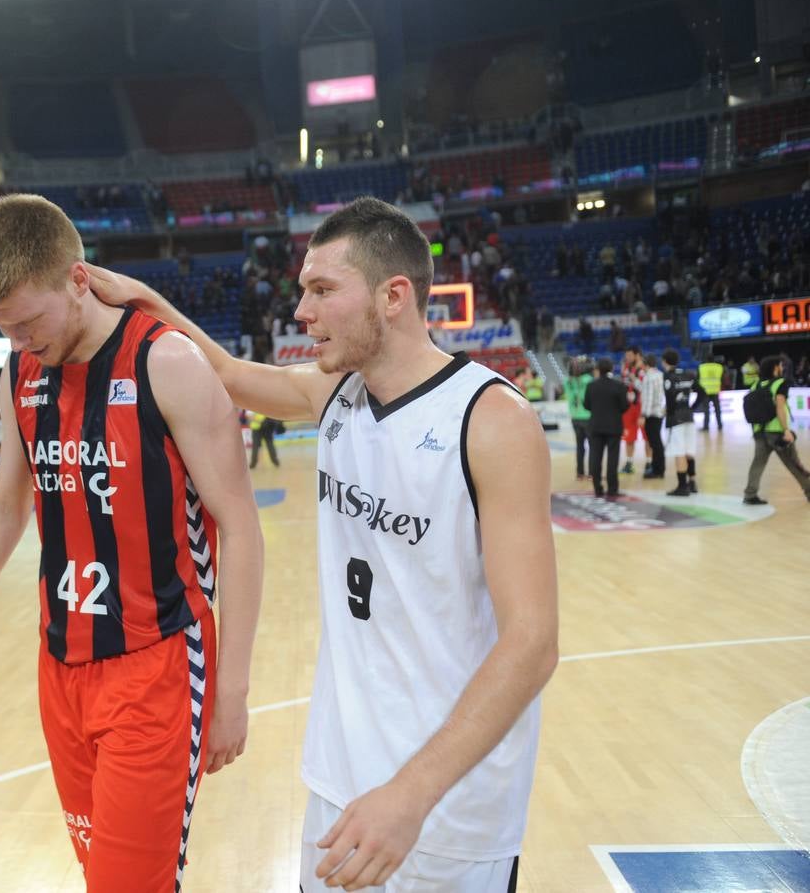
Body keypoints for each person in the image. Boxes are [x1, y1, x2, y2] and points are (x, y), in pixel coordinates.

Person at [87, 195, 556, 891]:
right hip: (339, 782)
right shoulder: (335, 392)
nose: (300, 311)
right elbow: (224, 374)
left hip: (447, 810)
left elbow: (534, 643)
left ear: (394, 296)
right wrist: (147, 300)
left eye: (322, 289)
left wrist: (412, 794)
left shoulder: (491, 420)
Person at [0, 194, 263, 891]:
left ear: (77, 280)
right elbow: (7, 506)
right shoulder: (19, 372)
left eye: (26, 323)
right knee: (102, 874)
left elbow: (242, 529)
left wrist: (231, 692)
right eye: (2, 328)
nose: (18, 343)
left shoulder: (168, 363)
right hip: (61, 668)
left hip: (156, 665)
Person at [742, 356, 810, 505]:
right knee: (794, 464)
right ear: (775, 368)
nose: (782, 367)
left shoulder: (755, 385)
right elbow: (780, 407)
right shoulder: (781, 383)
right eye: (780, 365)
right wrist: (786, 430)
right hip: (777, 432)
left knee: (758, 463)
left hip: (759, 432)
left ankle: (750, 494)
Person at [583, 358, 630, 499]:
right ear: (611, 369)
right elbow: (625, 406)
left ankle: (597, 488)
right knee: (612, 459)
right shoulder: (619, 385)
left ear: (598, 369)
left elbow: (586, 405)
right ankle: (612, 489)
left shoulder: (591, 386)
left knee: (595, 458)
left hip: (595, 426)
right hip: (614, 427)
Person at [661, 349, 700, 497]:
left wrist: (669, 413)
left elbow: (670, 398)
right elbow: (701, 392)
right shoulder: (688, 374)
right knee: (689, 451)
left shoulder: (668, 376)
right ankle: (693, 483)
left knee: (679, 452)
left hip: (676, 419)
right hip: (688, 417)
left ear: (665, 361)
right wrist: (691, 408)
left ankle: (682, 487)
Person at [563, 357, 592, 480]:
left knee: (580, 446)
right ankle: (592, 473)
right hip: (587, 416)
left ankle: (580, 473)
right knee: (592, 446)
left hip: (574, 417)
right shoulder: (588, 380)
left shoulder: (567, 381)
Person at [639, 354, 667, 480]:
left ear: (646, 363)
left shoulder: (648, 377)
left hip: (651, 415)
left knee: (655, 443)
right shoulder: (659, 374)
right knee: (656, 442)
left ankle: (657, 470)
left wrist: (643, 415)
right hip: (659, 413)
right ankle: (658, 468)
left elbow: (648, 398)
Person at [619, 347, 646, 475]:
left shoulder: (644, 370)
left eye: (630, 355)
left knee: (647, 437)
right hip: (628, 409)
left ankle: (649, 463)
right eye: (626, 356)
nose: (627, 358)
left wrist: (633, 378)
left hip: (641, 407)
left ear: (637, 355)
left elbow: (645, 389)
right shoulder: (624, 369)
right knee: (629, 437)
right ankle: (629, 463)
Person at [698, 355, 724, 431]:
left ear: (706, 360)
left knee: (706, 410)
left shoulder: (701, 367)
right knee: (717, 409)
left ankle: (706, 426)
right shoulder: (719, 367)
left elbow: (698, 378)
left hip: (705, 391)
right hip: (715, 390)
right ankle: (720, 425)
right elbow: (722, 378)